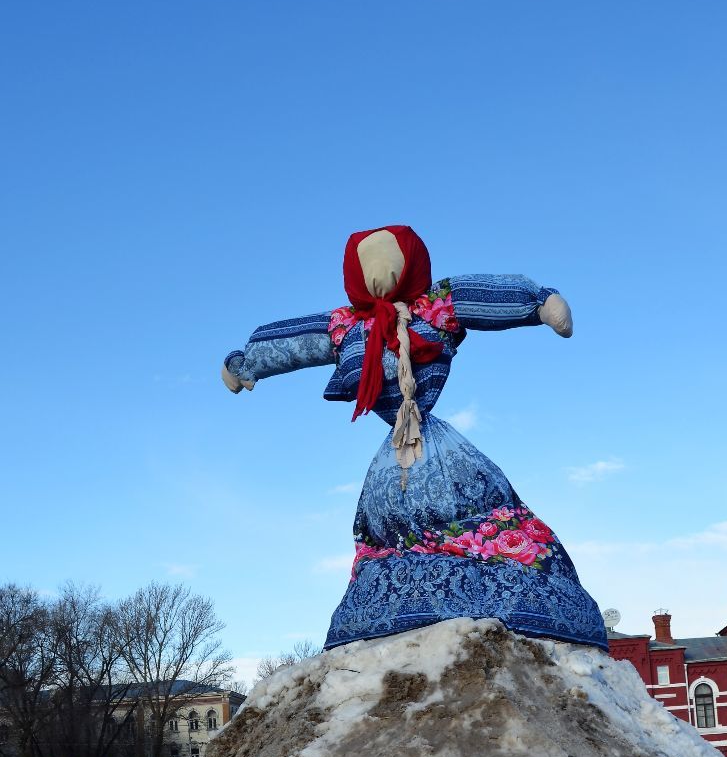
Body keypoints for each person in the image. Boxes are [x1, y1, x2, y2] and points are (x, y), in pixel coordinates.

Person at [222, 226, 607, 652]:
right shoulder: (347, 325)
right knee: (390, 527)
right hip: (395, 452)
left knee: (475, 507)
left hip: (433, 443)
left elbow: (482, 295)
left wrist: (539, 302)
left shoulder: (436, 306)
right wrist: (248, 360)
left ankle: (499, 596)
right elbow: (299, 339)